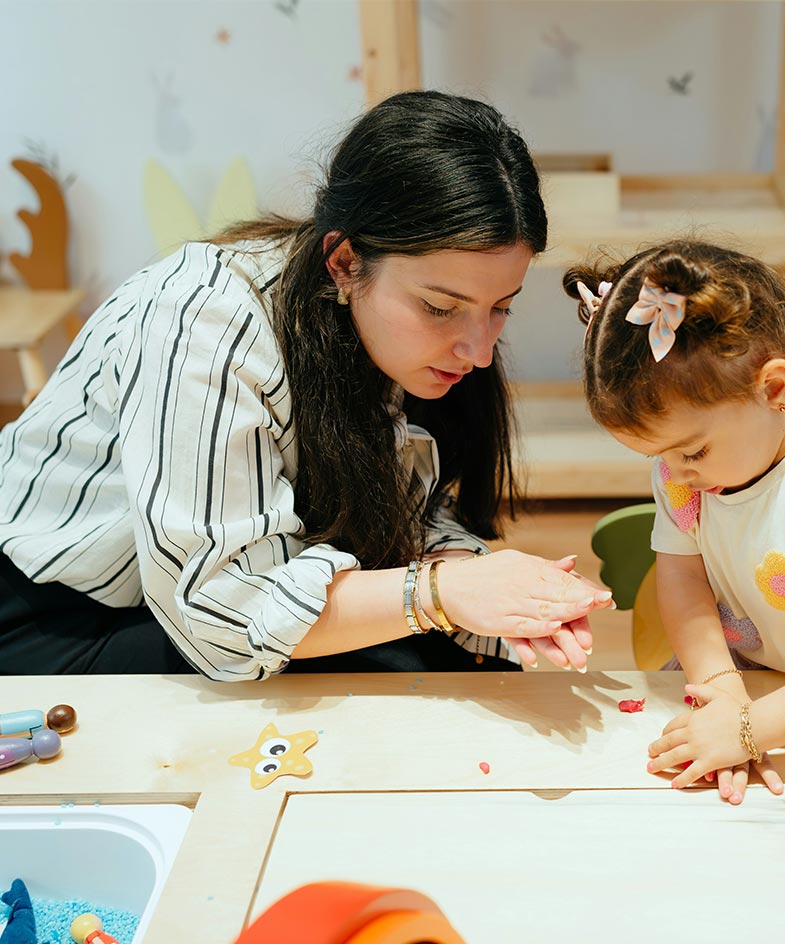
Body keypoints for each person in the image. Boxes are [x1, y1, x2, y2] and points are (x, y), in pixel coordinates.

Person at [0, 90, 613, 679]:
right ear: (344, 261)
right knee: (399, 680)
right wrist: (440, 591)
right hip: (56, 624)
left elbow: (395, 507)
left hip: (193, 602)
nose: (479, 351)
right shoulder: (201, 321)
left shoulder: (360, 312)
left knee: (456, 666)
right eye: (439, 307)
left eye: (501, 307)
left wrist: (473, 576)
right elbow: (223, 615)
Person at [566, 239, 785, 805]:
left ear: (774, 389)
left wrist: (748, 728)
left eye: (692, 453)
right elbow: (681, 578)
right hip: (733, 664)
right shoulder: (686, 463)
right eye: (661, 456)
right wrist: (724, 693)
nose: (675, 473)